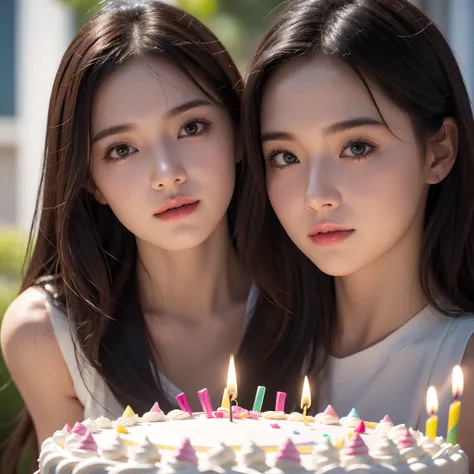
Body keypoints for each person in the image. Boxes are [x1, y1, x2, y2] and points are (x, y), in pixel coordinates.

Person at [0, 1, 309, 472]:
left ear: (237, 132)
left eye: (191, 127)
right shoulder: (47, 334)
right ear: (89, 180)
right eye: (121, 149)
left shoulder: (315, 289)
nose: (167, 174)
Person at [239, 0, 474, 464]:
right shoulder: (252, 340)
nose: (316, 194)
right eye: (285, 156)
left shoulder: (461, 373)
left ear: (438, 153)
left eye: (356, 147)